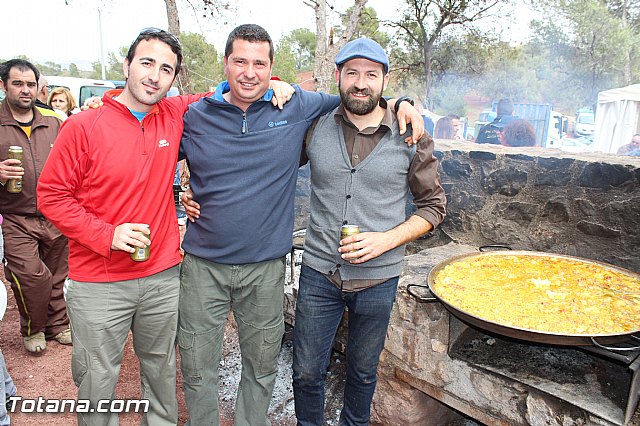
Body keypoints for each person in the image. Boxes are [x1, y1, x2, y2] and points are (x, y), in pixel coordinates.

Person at [37, 27, 294, 425]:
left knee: (161, 374)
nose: (155, 75)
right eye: (147, 63)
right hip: (98, 280)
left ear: (174, 78)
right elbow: (51, 197)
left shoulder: (176, 114)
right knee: (97, 380)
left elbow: (236, 87)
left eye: (166, 69)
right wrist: (109, 235)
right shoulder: (82, 127)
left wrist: (276, 82)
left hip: (160, 275)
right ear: (127, 65)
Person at [177, 25, 423, 426]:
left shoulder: (297, 106)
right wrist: (183, 193)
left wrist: (402, 102)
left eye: (260, 63)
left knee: (262, 368)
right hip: (205, 264)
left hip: (266, 268)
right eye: (240, 61)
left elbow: (361, 98)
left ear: (272, 68)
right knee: (198, 366)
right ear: (226, 64)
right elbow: (152, 161)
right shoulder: (195, 114)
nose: (249, 72)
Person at [290, 37, 446, 426]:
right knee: (307, 372)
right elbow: (267, 161)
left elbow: (433, 206)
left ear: (384, 81)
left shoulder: (411, 134)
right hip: (319, 274)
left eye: (371, 74)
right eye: (353, 73)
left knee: (362, 373)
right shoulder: (314, 127)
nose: (361, 83)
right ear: (339, 76)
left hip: (379, 280)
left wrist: (386, 240)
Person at [0, 59, 70, 354]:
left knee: (57, 274)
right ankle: (34, 329)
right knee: (31, 274)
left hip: (55, 213)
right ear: (3, 86)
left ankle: (58, 325)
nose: (25, 90)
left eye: (31, 84)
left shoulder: (53, 120)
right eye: (18, 83)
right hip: (15, 216)